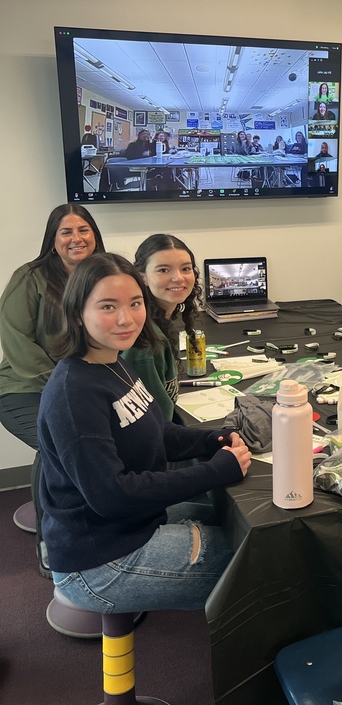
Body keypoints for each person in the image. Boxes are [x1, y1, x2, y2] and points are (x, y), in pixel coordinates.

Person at [37, 252, 251, 613]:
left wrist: (213, 439)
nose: (126, 318)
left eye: (135, 303)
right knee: (258, 562)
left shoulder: (112, 361)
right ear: (77, 314)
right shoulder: (74, 392)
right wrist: (215, 471)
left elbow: (156, 432)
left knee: (250, 529)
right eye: (108, 307)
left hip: (132, 524)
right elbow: (112, 494)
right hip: (98, 562)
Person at [0, 204, 106, 452]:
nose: (76, 239)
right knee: (64, 449)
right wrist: (66, 386)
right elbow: (17, 341)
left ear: (95, 236)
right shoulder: (29, 277)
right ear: (52, 241)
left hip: (82, 387)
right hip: (26, 387)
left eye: (83, 230)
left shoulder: (105, 277)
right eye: (66, 232)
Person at [123, 234, 202, 421]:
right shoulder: (144, 343)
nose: (178, 278)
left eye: (186, 269)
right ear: (142, 278)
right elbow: (152, 421)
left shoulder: (165, 324)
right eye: (164, 270)